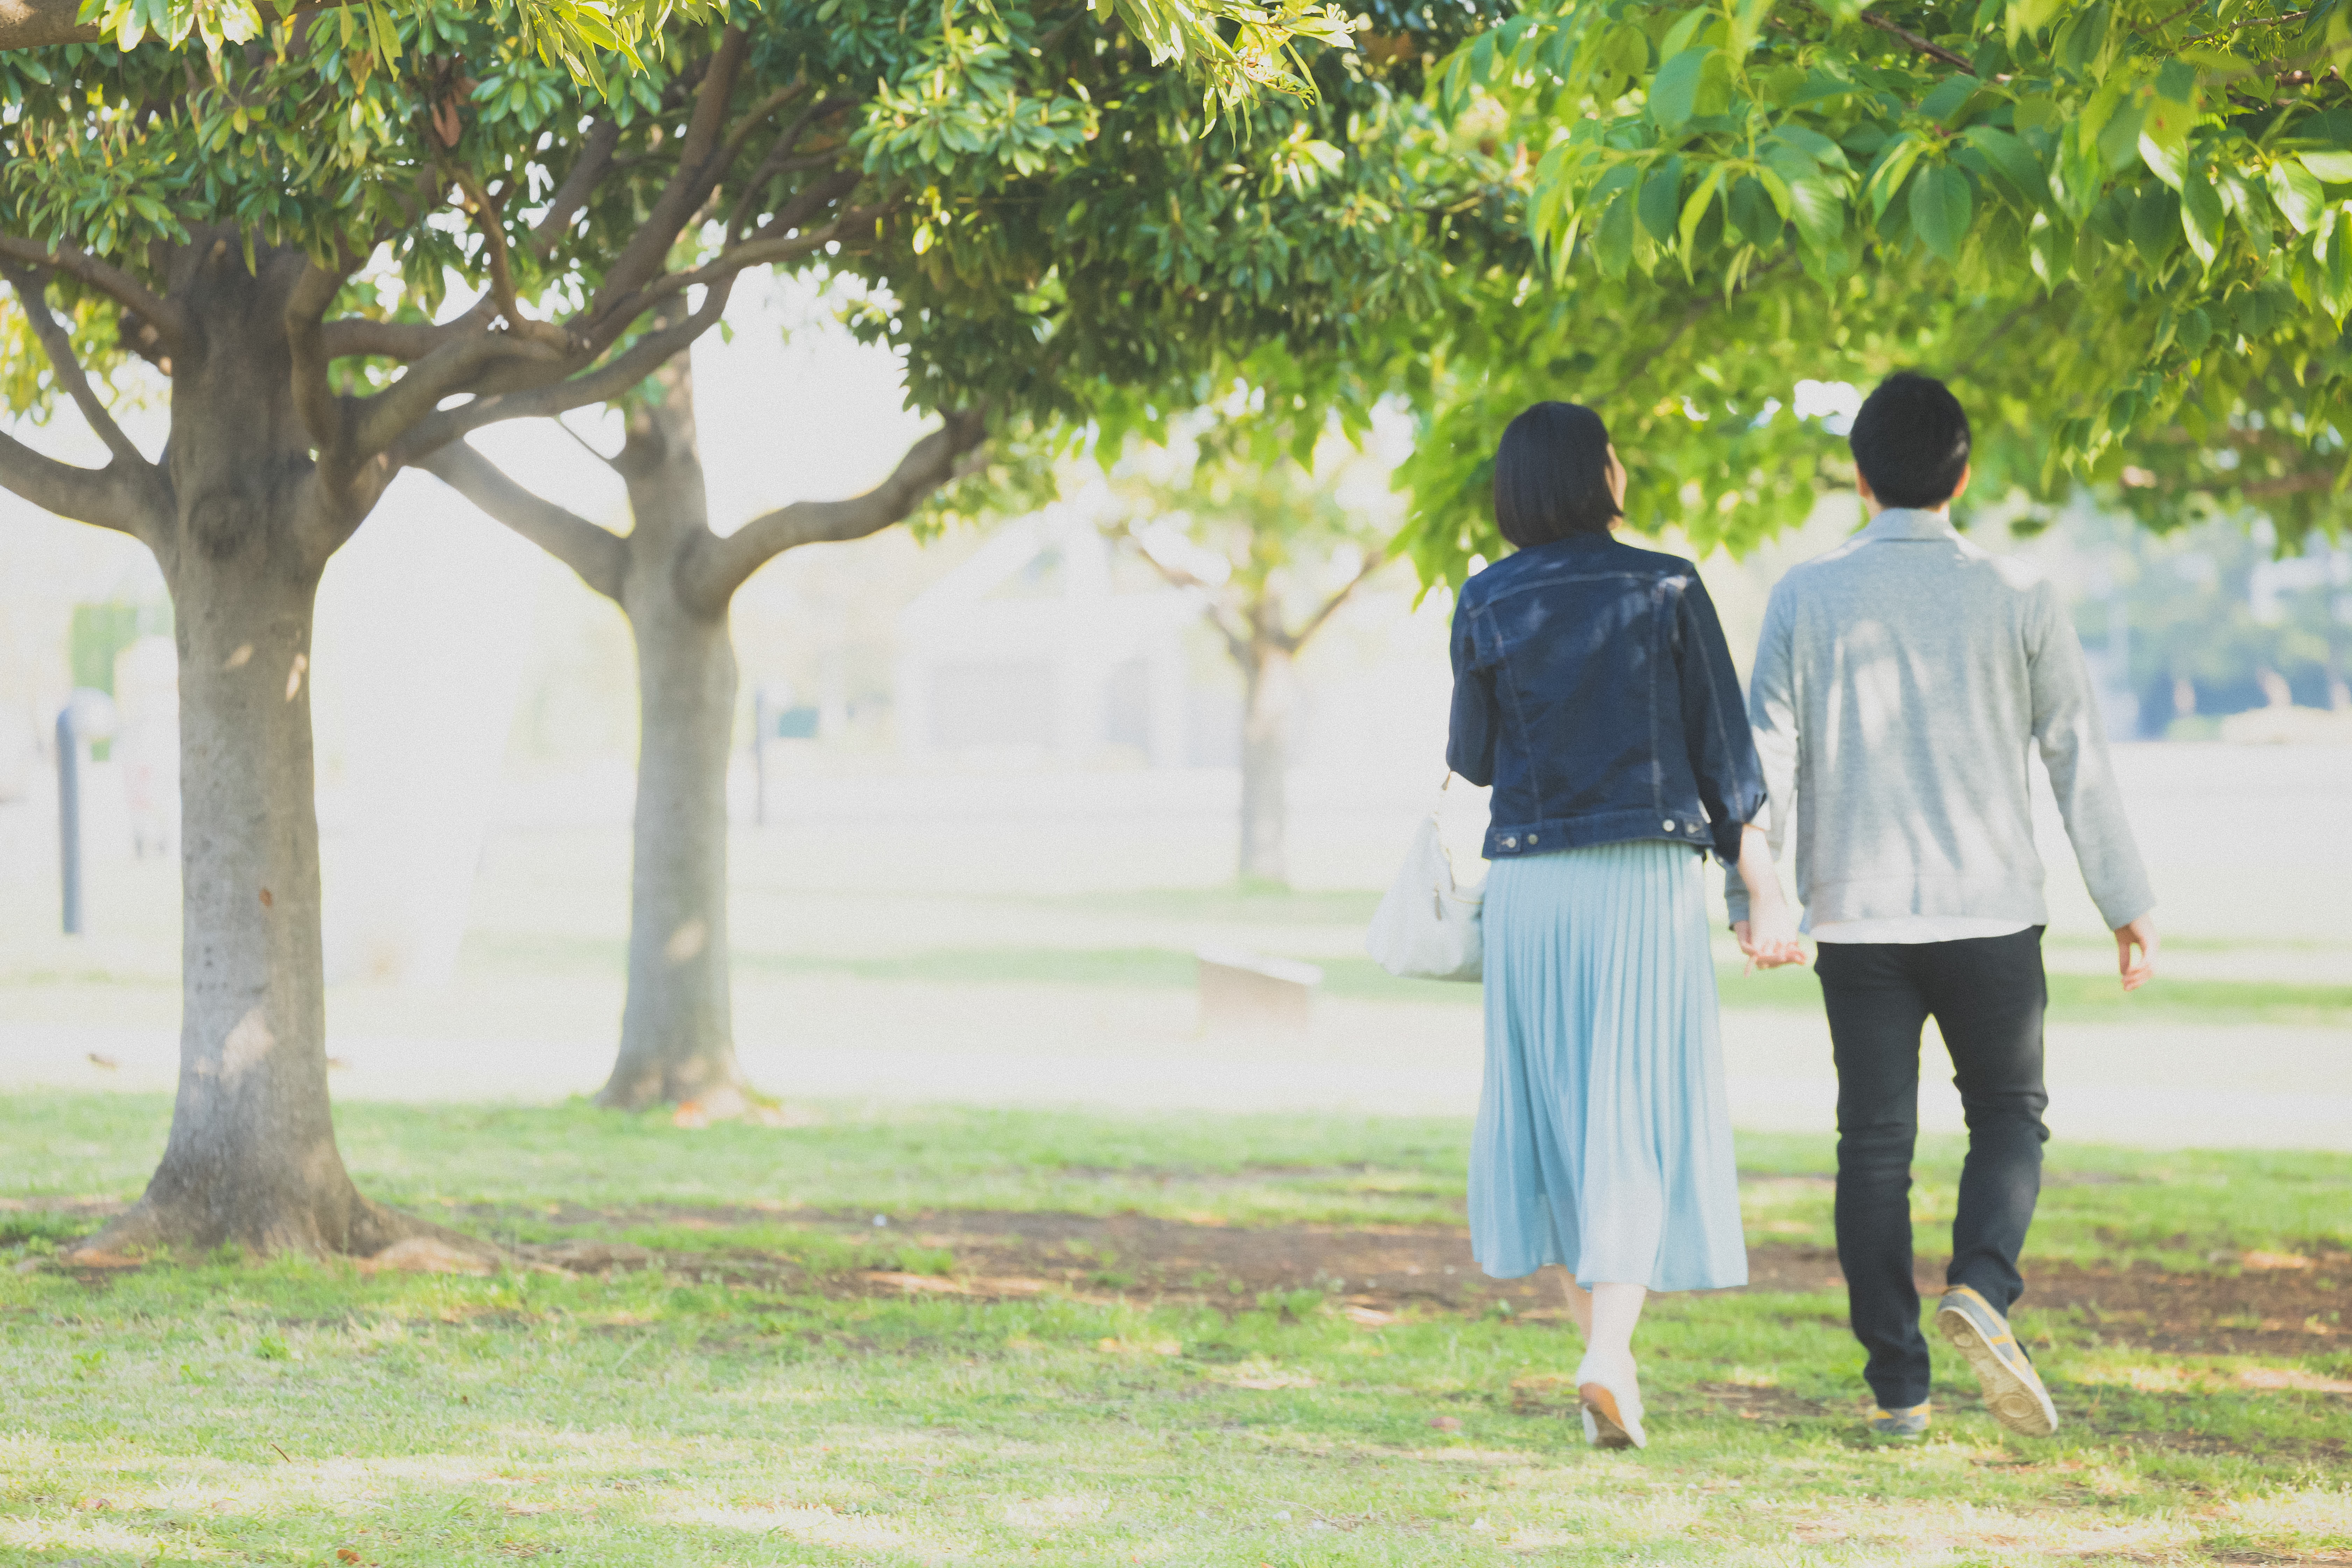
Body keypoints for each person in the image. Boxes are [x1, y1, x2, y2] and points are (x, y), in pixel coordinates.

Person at [1727, 371, 2158, 1441]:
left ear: (1861, 479)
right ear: (1963, 475)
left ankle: (1900, 1392)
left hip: (1860, 922)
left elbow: (1760, 760)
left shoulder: (1806, 594)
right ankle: (1983, 1288)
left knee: (1873, 1147)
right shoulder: (2020, 591)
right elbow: (2076, 753)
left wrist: (1756, 891)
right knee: (2008, 1117)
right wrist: (2126, 899)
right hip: (1991, 912)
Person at [1447, 401, 1804, 1451]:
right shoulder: (1667, 584)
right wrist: (1763, 891)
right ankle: (1608, 1357)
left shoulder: (1484, 599)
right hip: (1641, 881)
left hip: (1528, 889)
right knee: (1634, 1116)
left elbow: (1472, 759)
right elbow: (1724, 757)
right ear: (1596, 475)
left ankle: (1613, 1367)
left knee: (1559, 1124)